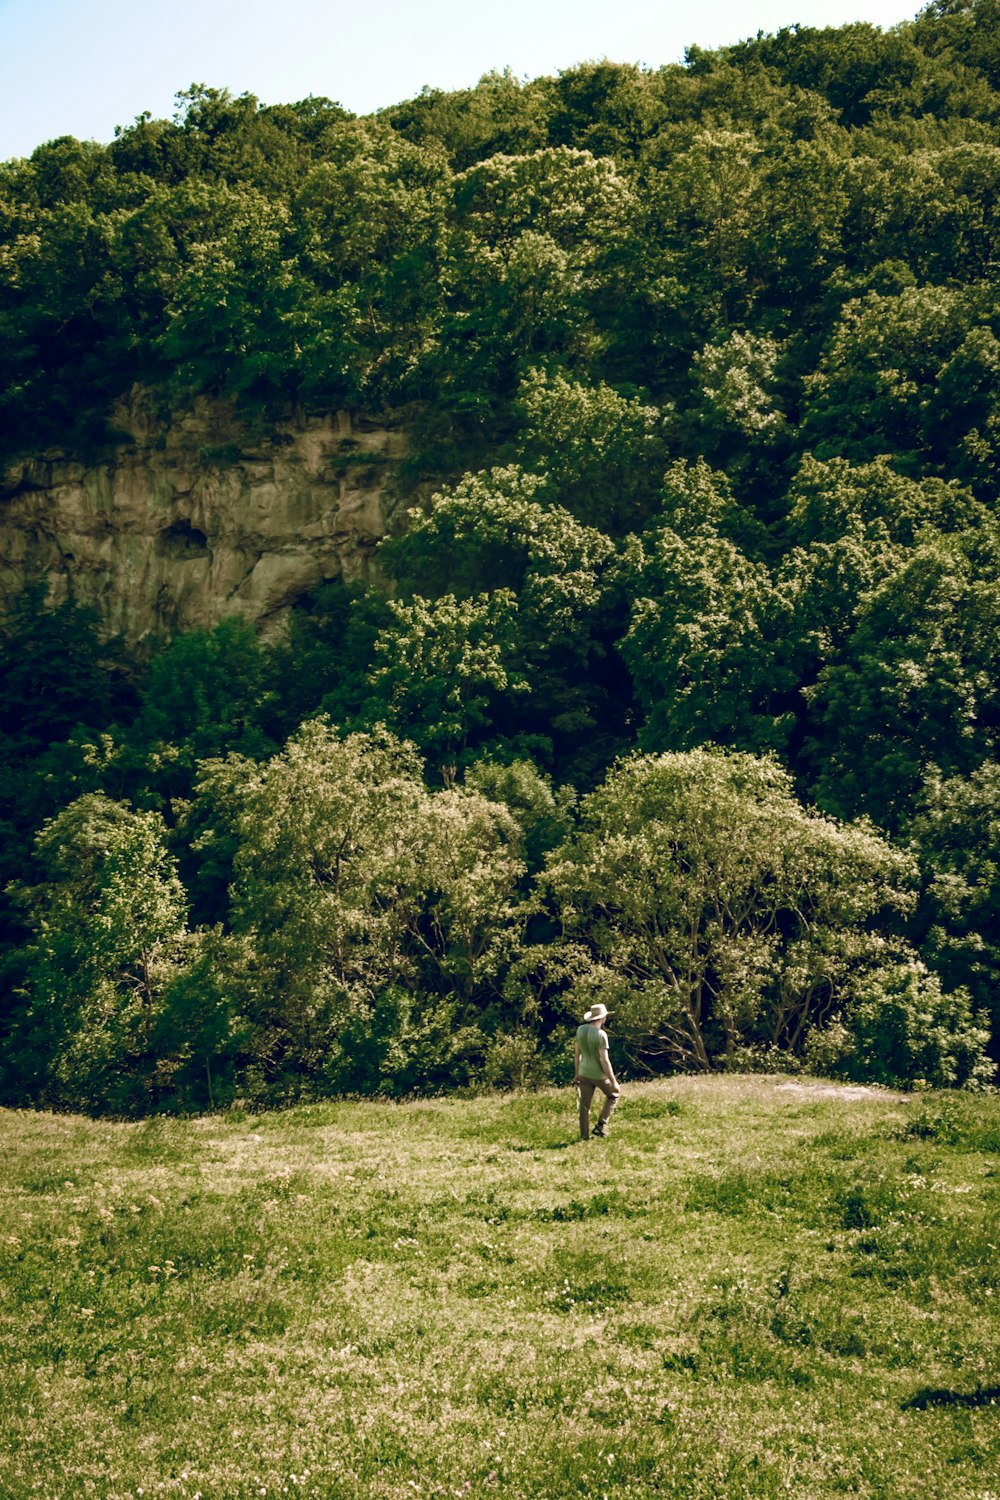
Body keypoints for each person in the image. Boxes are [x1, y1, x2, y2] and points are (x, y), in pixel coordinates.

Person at [574, 1003, 620, 1140]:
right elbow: (604, 1060)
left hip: (583, 1072)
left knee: (584, 1106)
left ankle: (584, 1137)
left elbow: (577, 1054)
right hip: (598, 1074)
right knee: (613, 1095)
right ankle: (601, 1125)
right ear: (603, 1018)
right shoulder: (601, 1035)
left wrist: (577, 1073)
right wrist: (613, 1081)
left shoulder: (580, 1030)